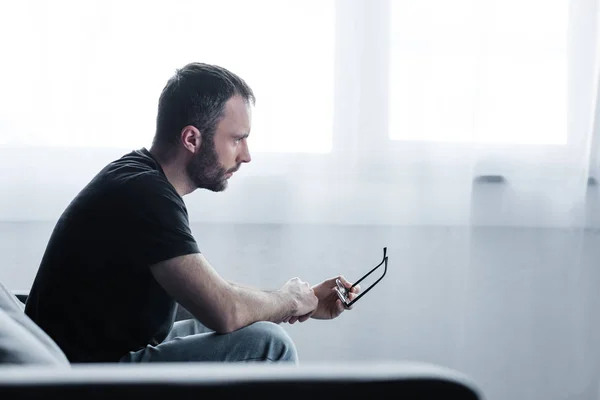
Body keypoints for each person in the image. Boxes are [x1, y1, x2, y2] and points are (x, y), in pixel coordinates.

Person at [24, 62, 360, 364]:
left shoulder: (137, 177)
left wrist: (305, 300)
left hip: (107, 349)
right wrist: (285, 301)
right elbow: (225, 311)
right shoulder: (146, 195)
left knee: (237, 320)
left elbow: (208, 293)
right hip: (90, 372)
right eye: (237, 140)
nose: (246, 156)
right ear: (191, 139)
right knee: (268, 345)